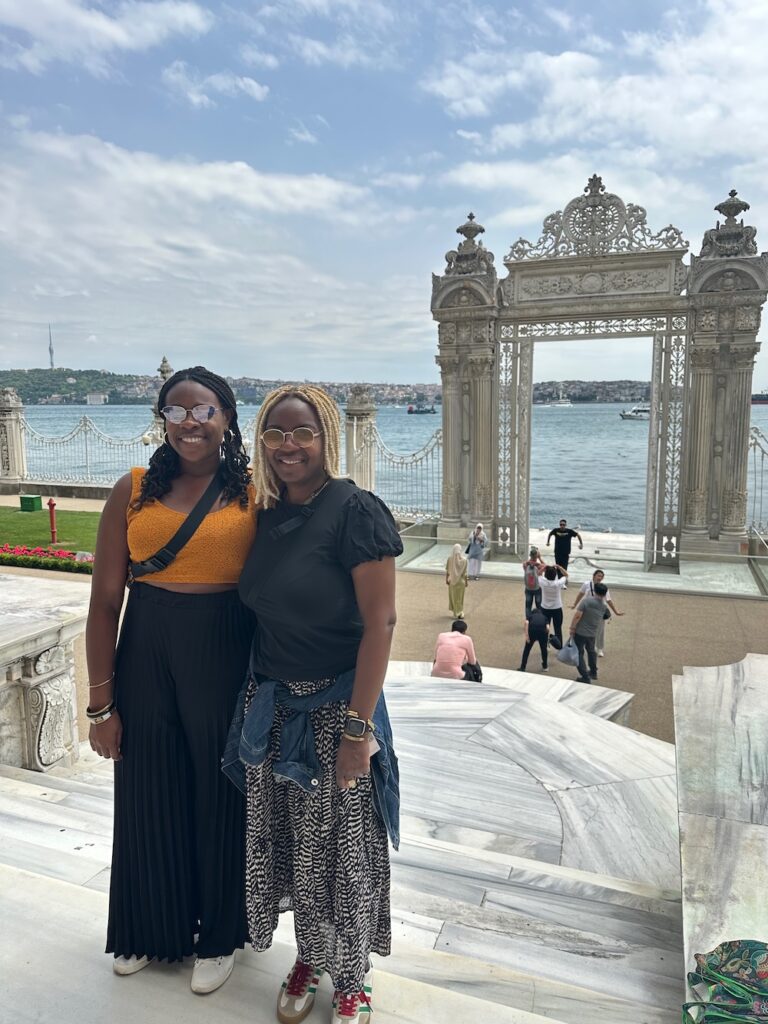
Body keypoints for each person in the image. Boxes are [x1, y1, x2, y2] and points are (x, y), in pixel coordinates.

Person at [222, 384, 403, 1024]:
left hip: (336, 710)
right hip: (272, 711)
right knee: (294, 845)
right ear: (260, 442)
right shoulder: (268, 515)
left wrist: (358, 729)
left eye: (302, 432)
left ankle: (352, 975)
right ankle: (312, 953)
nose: (288, 445)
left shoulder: (355, 510)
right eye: (274, 433)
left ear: (328, 435)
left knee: (344, 849)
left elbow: (380, 624)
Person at [86, 366, 256, 993]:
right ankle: (149, 925)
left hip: (226, 644)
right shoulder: (130, 489)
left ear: (227, 418)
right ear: (162, 419)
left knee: (222, 792)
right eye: (177, 409)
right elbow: (105, 600)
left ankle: (220, 933)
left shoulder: (253, 491)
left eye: (203, 408)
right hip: (147, 643)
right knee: (148, 782)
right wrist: (101, 705)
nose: (190, 420)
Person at [571, 569, 624, 657]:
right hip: (587, 610)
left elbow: (608, 600)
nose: (600, 578)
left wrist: (616, 611)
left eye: (602, 576)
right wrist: (574, 604)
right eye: (598, 575)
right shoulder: (586, 584)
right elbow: (580, 594)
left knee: (600, 630)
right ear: (594, 575)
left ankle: (599, 648)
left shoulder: (603, 587)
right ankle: (584, 646)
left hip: (599, 611)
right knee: (583, 627)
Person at [568, 581, 608, 683]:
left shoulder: (586, 601)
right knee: (591, 651)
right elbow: (604, 616)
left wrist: (572, 628)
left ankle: (585, 676)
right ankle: (593, 672)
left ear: (594, 591)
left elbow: (577, 616)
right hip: (592, 633)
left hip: (580, 632)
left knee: (578, 653)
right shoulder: (603, 606)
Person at [539, 563, 568, 646]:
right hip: (557, 608)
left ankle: (545, 644)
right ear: (555, 575)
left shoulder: (543, 582)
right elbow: (566, 575)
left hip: (545, 608)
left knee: (545, 627)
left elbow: (538, 573)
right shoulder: (558, 583)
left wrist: (544, 567)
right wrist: (559, 567)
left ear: (546, 574)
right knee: (558, 628)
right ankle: (559, 645)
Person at [518, 606, 550, 672]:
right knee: (543, 649)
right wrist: (545, 636)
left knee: (527, 650)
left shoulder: (530, 616)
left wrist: (527, 636)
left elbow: (526, 623)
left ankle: (523, 667)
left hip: (532, 632)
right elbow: (547, 627)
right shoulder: (544, 617)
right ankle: (545, 666)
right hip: (542, 632)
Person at [445, 542, 469, 618]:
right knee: (460, 598)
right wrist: (466, 582)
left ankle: (455, 611)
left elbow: (447, 571)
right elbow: (465, 573)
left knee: (453, 597)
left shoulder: (450, 559)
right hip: (460, 582)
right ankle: (459, 612)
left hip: (452, 582)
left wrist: (446, 579)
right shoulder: (464, 560)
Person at [522, 546, 545, 616]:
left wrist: (530, 560)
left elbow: (526, 563)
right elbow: (546, 566)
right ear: (536, 556)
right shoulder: (539, 566)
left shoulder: (525, 565)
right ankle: (539, 619)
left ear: (530, 555)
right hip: (537, 588)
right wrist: (540, 558)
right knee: (539, 605)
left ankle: (528, 621)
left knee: (528, 605)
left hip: (528, 588)